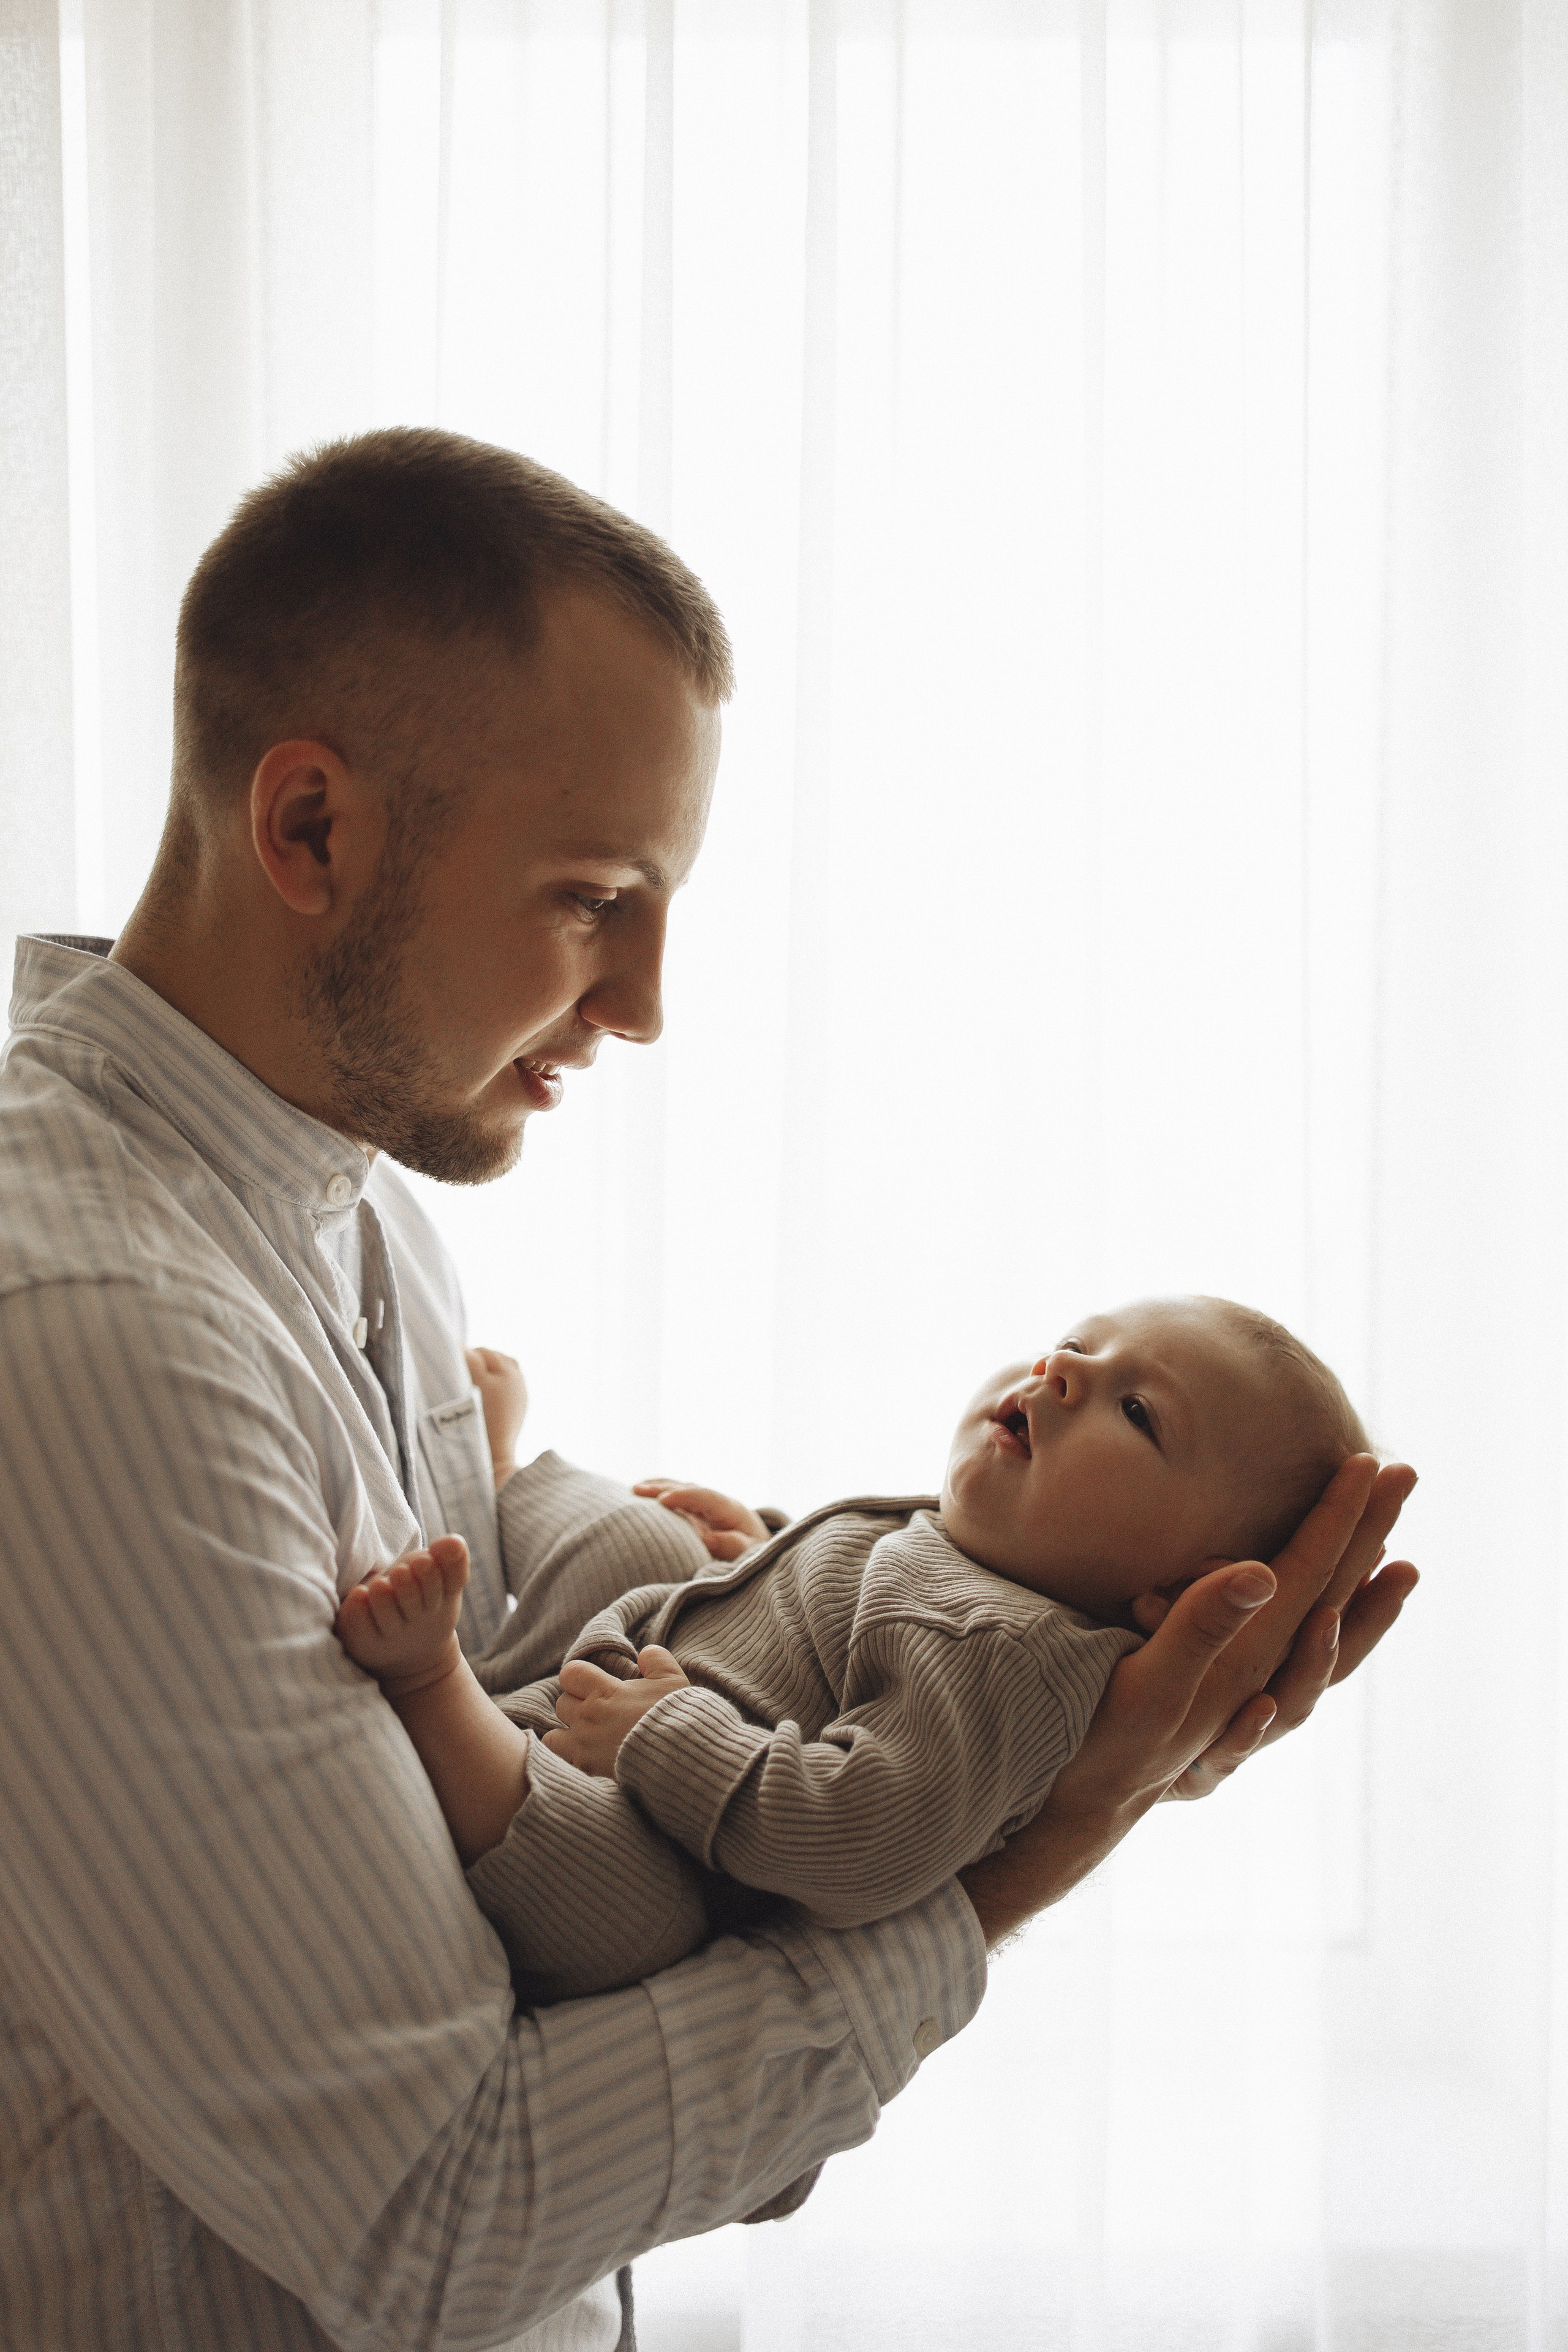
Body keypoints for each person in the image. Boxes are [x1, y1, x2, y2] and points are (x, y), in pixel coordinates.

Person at [0, 427, 1418, 2352]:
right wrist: (1034, 1848)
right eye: (595, 897)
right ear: (310, 831)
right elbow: (436, 2217)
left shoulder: (349, 1202)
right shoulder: (88, 1334)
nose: (646, 1001)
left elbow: (534, 1927)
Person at [333, 1296, 1374, 2002]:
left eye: (1136, 1411)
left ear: (1174, 1596)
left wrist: (670, 1734)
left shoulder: (1011, 1659)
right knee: (646, 1536)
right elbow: (845, 1619)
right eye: (1080, 1345)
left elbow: (863, 1840)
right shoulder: (977, 1562)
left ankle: (432, 1686)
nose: (1062, 1373)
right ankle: (505, 1470)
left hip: (643, 1835)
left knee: (619, 1909)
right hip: (619, 1687)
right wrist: (766, 1550)